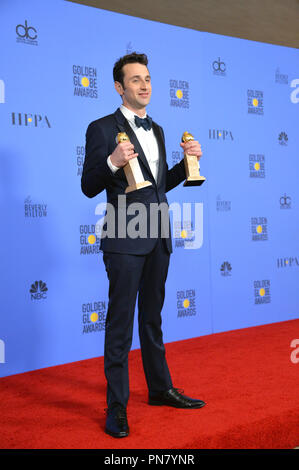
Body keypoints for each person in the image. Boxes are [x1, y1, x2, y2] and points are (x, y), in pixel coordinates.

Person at [81, 52, 205, 438]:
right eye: (135, 80)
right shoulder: (101, 128)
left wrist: (186, 166)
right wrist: (113, 162)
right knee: (120, 325)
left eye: (147, 78)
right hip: (123, 237)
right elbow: (88, 186)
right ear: (120, 87)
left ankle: (160, 388)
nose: (144, 85)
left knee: (152, 318)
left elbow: (156, 185)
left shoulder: (159, 129)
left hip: (158, 234)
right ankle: (117, 406)